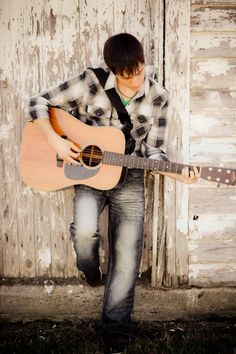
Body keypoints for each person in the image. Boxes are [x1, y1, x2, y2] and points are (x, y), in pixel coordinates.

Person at [29, 33, 199, 353]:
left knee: (125, 258)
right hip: (89, 173)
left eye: (139, 71)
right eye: (127, 76)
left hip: (130, 176)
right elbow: (37, 101)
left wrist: (175, 172)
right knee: (84, 234)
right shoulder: (90, 83)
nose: (136, 81)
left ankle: (116, 331)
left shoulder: (158, 96)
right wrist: (55, 140)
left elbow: (154, 151)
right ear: (113, 70)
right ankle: (91, 271)